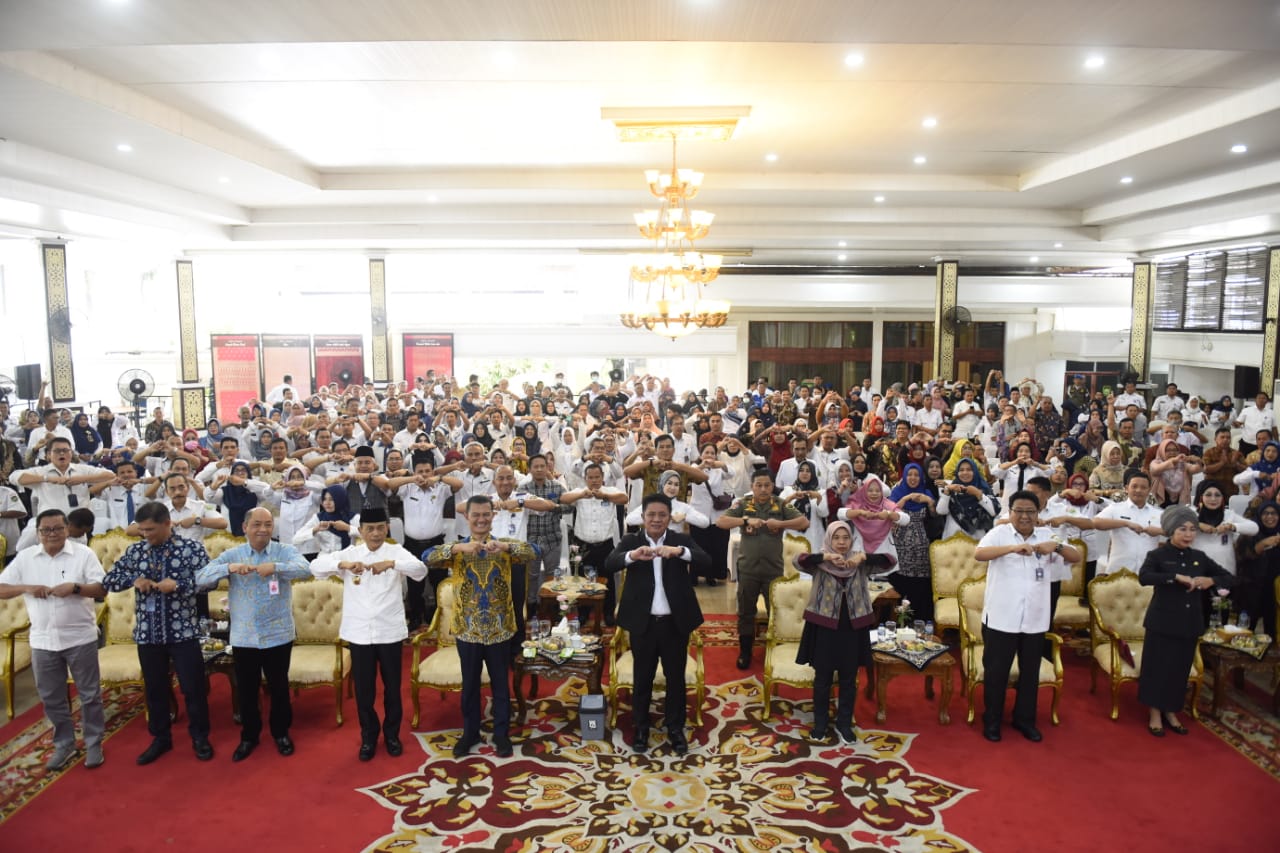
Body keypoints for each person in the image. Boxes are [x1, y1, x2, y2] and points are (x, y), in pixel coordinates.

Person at [196, 507, 312, 761]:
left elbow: (306, 569)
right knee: (247, 689)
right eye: (257, 524)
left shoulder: (284, 551)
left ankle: (281, 733)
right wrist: (229, 568)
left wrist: (276, 568)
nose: (263, 529)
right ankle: (249, 736)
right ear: (245, 527)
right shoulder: (233, 554)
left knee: (278, 687)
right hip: (244, 635)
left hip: (278, 633)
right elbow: (200, 578)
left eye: (268, 524)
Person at [102, 502, 214, 764]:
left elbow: (210, 581)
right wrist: (134, 580)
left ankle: (200, 736)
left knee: (193, 688)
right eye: (142, 530)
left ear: (167, 524)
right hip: (148, 634)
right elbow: (109, 580)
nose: (145, 535)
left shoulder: (191, 549)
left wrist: (179, 585)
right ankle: (161, 738)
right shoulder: (136, 551)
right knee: (155, 690)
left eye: (150, 530)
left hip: (183, 632)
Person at [311, 507, 427, 761]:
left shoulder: (395, 551)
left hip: (389, 631)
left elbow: (420, 571)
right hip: (359, 633)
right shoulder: (351, 553)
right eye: (370, 529)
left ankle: (392, 735)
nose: (375, 534)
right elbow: (315, 566)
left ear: (387, 528)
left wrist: (392, 564)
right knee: (364, 691)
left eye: (380, 528)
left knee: (393, 689)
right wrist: (342, 564)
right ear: (361, 531)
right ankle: (369, 737)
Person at [425, 496, 536, 758]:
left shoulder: (505, 547)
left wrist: (505, 547)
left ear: (493, 515)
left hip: (500, 629)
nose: (481, 519)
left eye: (486, 514)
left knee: (501, 686)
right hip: (468, 629)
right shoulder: (458, 549)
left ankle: (501, 734)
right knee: (470, 686)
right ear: (467, 517)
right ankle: (470, 732)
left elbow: (533, 551)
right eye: (476, 515)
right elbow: (427, 556)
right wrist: (457, 549)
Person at [0, 509, 107, 770]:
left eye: (58, 528)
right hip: (43, 640)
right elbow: (2, 588)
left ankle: (93, 743)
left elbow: (102, 589)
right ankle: (64, 744)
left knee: (89, 694)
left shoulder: (84, 554)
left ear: (67, 529)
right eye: (46, 530)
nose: (52, 534)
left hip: (79, 637)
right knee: (51, 697)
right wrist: (27, 588)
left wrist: (75, 588)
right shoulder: (26, 557)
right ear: (37, 532)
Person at [604, 493, 709, 755]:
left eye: (662, 515)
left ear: (670, 518)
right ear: (643, 517)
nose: (656, 519)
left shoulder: (679, 540)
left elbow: (706, 561)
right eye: (651, 514)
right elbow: (609, 563)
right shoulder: (631, 541)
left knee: (675, 679)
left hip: (674, 623)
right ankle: (641, 728)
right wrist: (632, 556)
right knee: (643, 678)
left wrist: (679, 552)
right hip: (644, 624)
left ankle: (675, 728)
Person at [974, 490, 1081, 743]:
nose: (1024, 516)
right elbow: (979, 554)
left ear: (1038, 513)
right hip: (1001, 617)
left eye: (1030, 512)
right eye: (1019, 511)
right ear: (1010, 512)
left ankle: (1024, 720)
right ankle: (992, 720)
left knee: (1030, 672)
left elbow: (1075, 556)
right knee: (997, 672)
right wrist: (1012, 548)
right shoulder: (999, 533)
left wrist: (1057, 546)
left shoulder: (1047, 535)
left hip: (1035, 618)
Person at [1137, 505, 1233, 737]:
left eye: (1192, 529)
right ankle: (1155, 713)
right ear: (1171, 530)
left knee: (1179, 670)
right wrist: (1174, 577)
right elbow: (1144, 577)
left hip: (1189, 622)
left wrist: (1210, 581)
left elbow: (1228, 577)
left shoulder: (1199, 557)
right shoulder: (1157, 555)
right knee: (1157, 668)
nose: (1188, 534)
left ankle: (1171, 710)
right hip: (1162, 622)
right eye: (1182, 529)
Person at [793, 520, 891, 744]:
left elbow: (889, 562)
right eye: (836, 538)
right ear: (829, 539)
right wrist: (825, 557)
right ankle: (820, 723)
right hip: (824, 626)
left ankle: (844, 723)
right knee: (822, 678)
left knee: (848, 678)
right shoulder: (819, 562)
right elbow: (797, 560)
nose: (841, 542)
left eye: (845, 538)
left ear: (851, 540)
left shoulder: (859, 562)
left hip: (853, 627)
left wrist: (863, 557)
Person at [716, 469, 808, 670]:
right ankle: (745, 652)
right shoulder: (743, 503)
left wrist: (780, 523)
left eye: (767, 485)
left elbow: (804, 522)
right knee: (745, 612)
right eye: (759, 485)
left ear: (773, 486)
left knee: (776, 611)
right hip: (748, 570)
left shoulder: (780, 504)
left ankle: (777, 648)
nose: (764, 489)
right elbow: (721, 522)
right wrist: (745, 520)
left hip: (773, 571)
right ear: (752, 487)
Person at [1093, 471, 1164, 575]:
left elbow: (1175, 532)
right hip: (1118, 572)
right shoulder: (1115, 508)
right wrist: (1126, 523)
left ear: (1149, 490)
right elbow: (1096, 522)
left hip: (1147, 573)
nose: (1138, 490)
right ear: (1126, 488)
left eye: (1143, 487)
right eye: (1134, 486)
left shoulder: (1158, 513)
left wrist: (1159, 531)